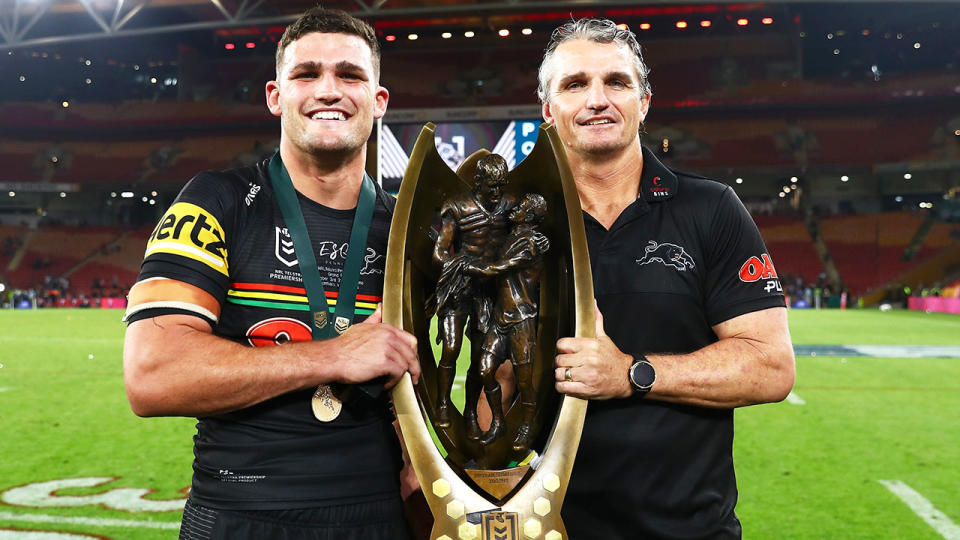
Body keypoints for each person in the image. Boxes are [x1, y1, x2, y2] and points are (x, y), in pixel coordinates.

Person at [122, 8, 421, 540]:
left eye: (350, 75)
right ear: (275, 96)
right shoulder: (217, 201)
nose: (329, 90)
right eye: (307, 74)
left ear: (378, 103)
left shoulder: (409, 229)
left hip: (378, 514)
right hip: (239, 514)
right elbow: (153, 374)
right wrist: (335, 355)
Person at [536, 18, 796, 539]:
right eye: (574, 84)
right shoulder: (520, 224)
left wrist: (630, 374)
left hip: (690, 529)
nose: (597, 99)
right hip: (549, 526)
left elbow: (771, 368)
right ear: (548, 110)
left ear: (644, 101)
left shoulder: (711, 209)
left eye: (616, 82)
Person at [431, 154, 516, 437]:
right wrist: (465, 264)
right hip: (460, 286)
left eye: (499, 186)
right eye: (490, 186)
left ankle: (470, 412)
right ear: (478, 182)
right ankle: (443, 403)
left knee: (481, 360)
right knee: (452, 348)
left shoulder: (509, 206)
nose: (495, 192)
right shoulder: (456, 207)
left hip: (489, 291)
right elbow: (440, 252)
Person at [464, 193, 550, 449]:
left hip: (522, 319)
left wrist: (467, 266)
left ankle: (526, 426)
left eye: (522, 207)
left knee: (524, 381)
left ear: (531, 216)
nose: (516, 208)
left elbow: (500, 267)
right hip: (500, 319)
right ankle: (498, 422)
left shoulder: (532, 242)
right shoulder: (511, 235)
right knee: (484, 370)